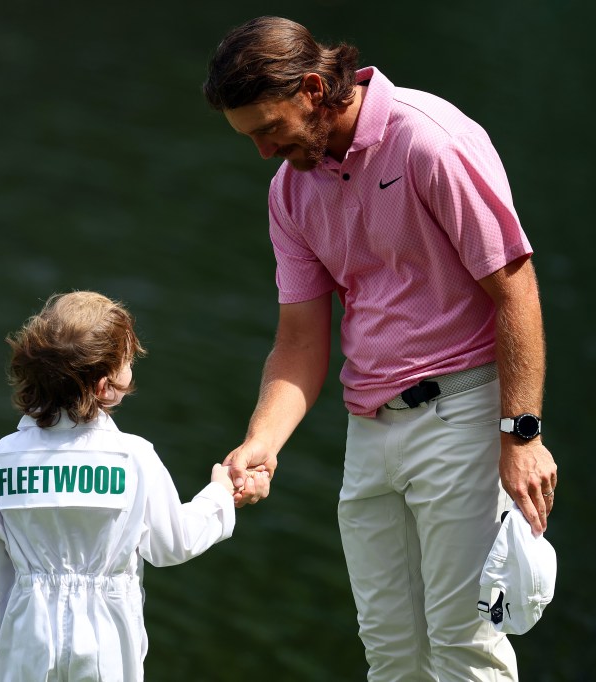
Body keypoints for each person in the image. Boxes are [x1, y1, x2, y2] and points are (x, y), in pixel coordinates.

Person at [203, 16, 558, 681]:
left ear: (313, 88)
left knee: (463, 646)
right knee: (391, 654)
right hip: (370, 428)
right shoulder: (290, 191)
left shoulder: (427, 142)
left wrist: (522, 433)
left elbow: (518, 289)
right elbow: (301, 339)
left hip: (464, 411)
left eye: (268, 130)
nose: (262, 152)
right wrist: (262, 443)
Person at [0, 291, 263, 682]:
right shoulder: (133, 456)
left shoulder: (6, 456)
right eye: (127, 359)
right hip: (108, 634)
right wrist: (220, 493)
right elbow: (173, 542)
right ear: (106, 386)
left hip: (26, 630)